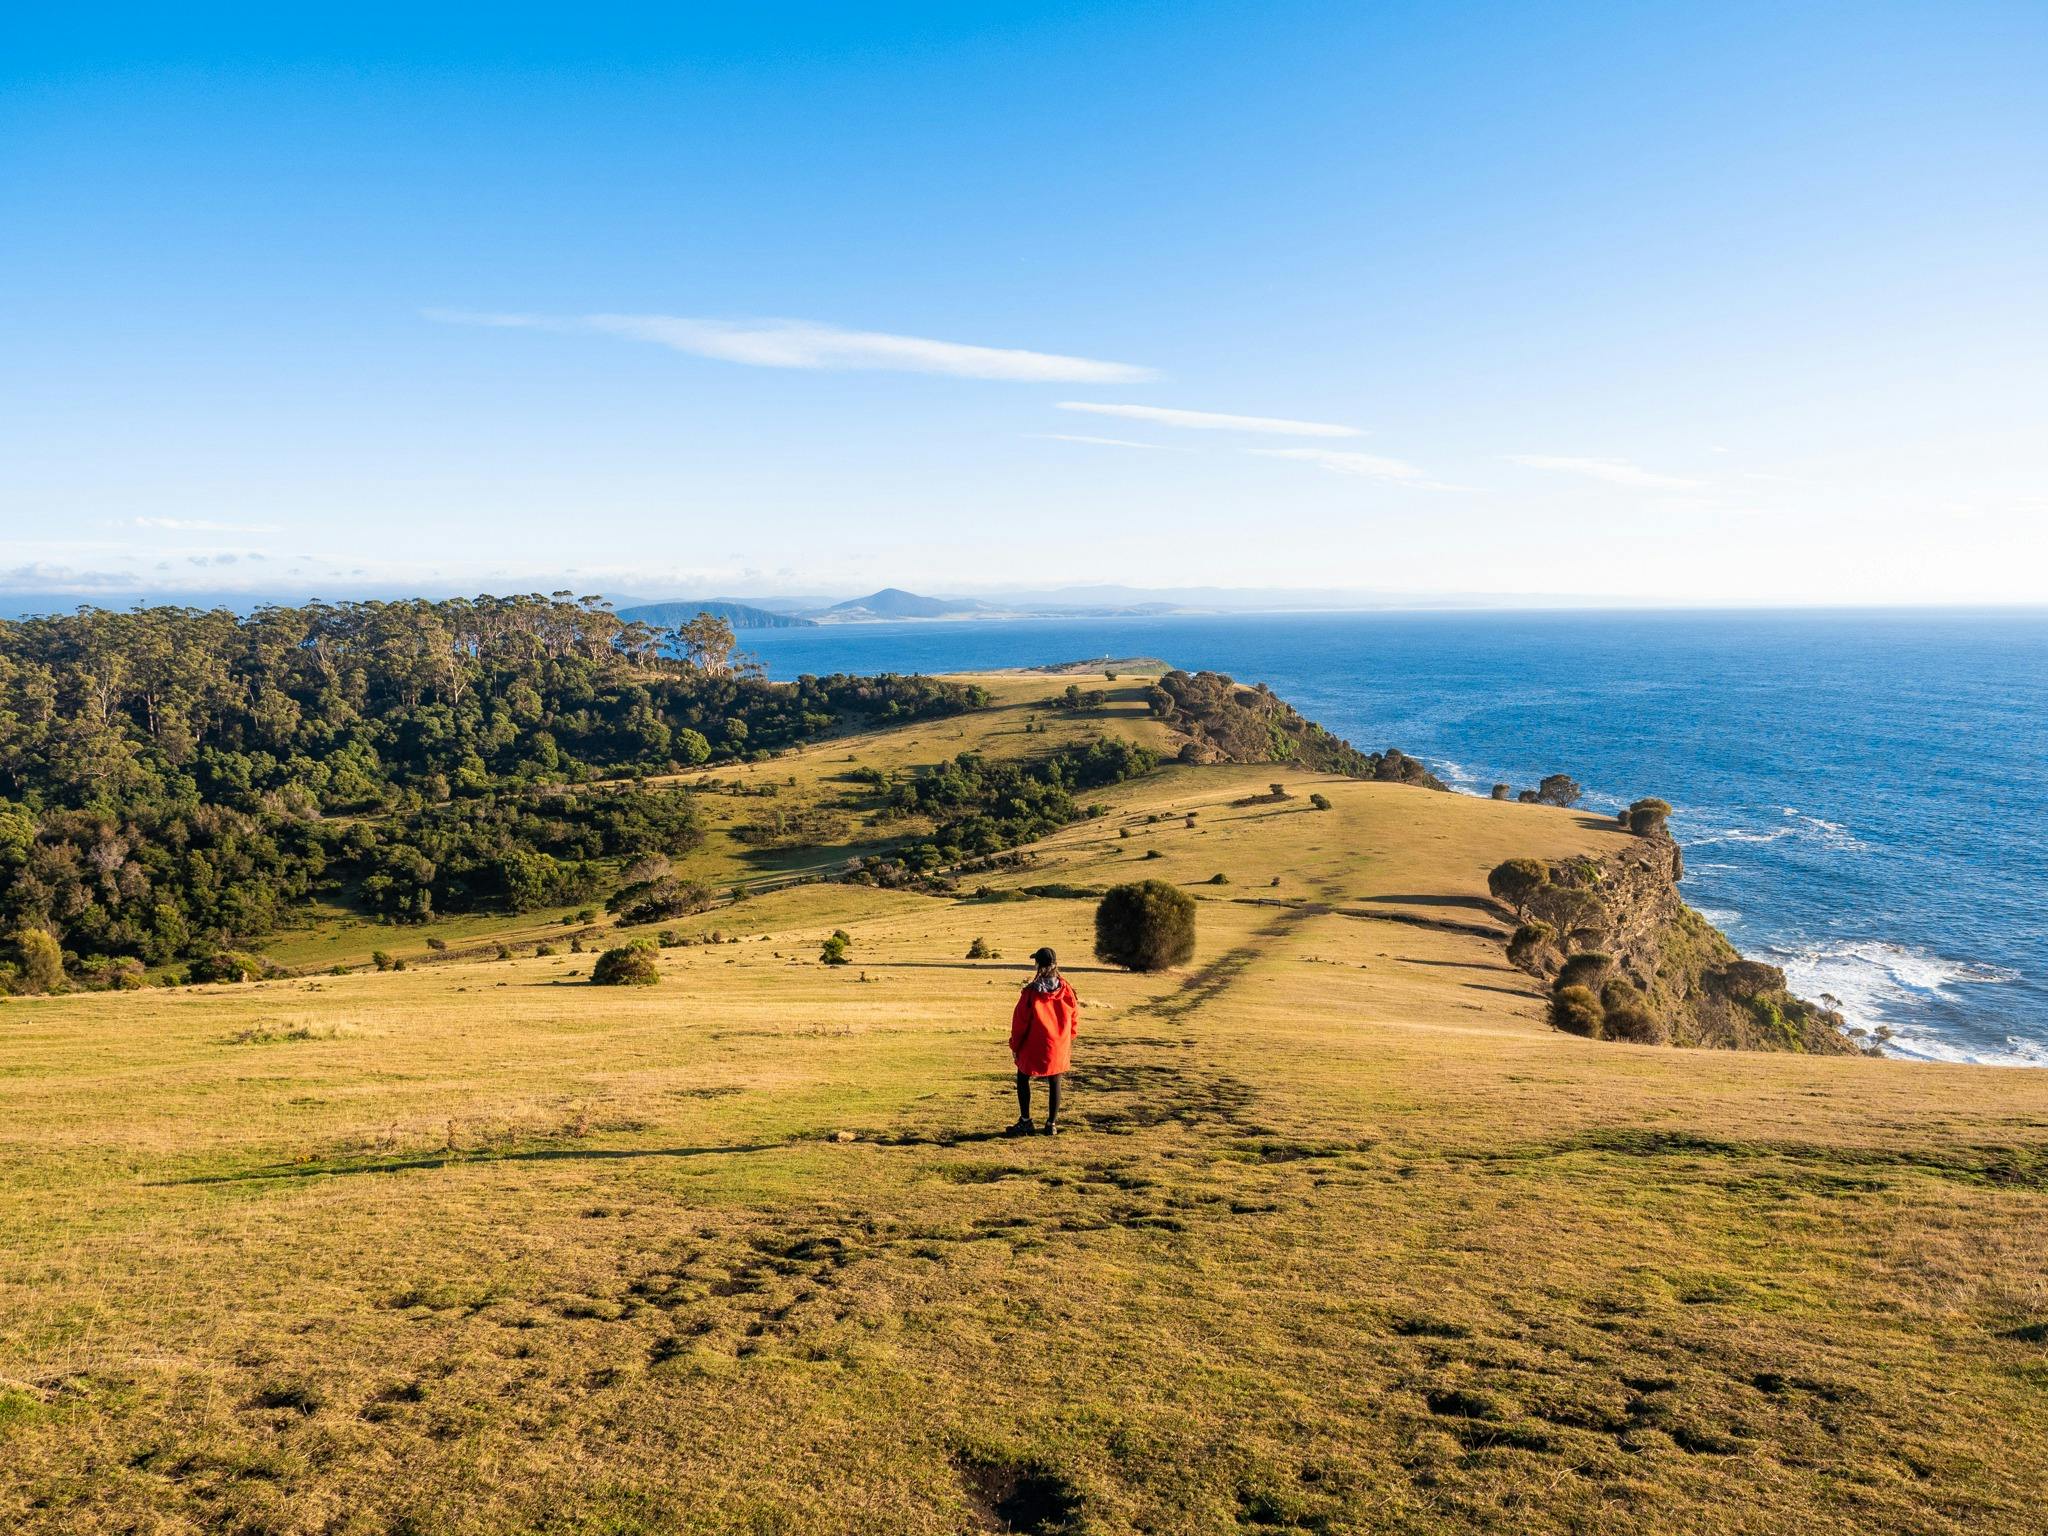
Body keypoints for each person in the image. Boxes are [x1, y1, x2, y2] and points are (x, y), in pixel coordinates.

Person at [1008, 946, 1079, 1136]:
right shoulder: (1067, 989)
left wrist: (1015, 1045)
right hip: (1058, 1044)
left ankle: (1025, 1121)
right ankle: (1051, 1124)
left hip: (1034, 1044)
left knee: (1023, 1077)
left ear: (1038, 965)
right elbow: (1074, 1017)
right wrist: (1068, 1038)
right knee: (1055, 1080)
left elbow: (1020, 1023)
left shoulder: (1031, 992)